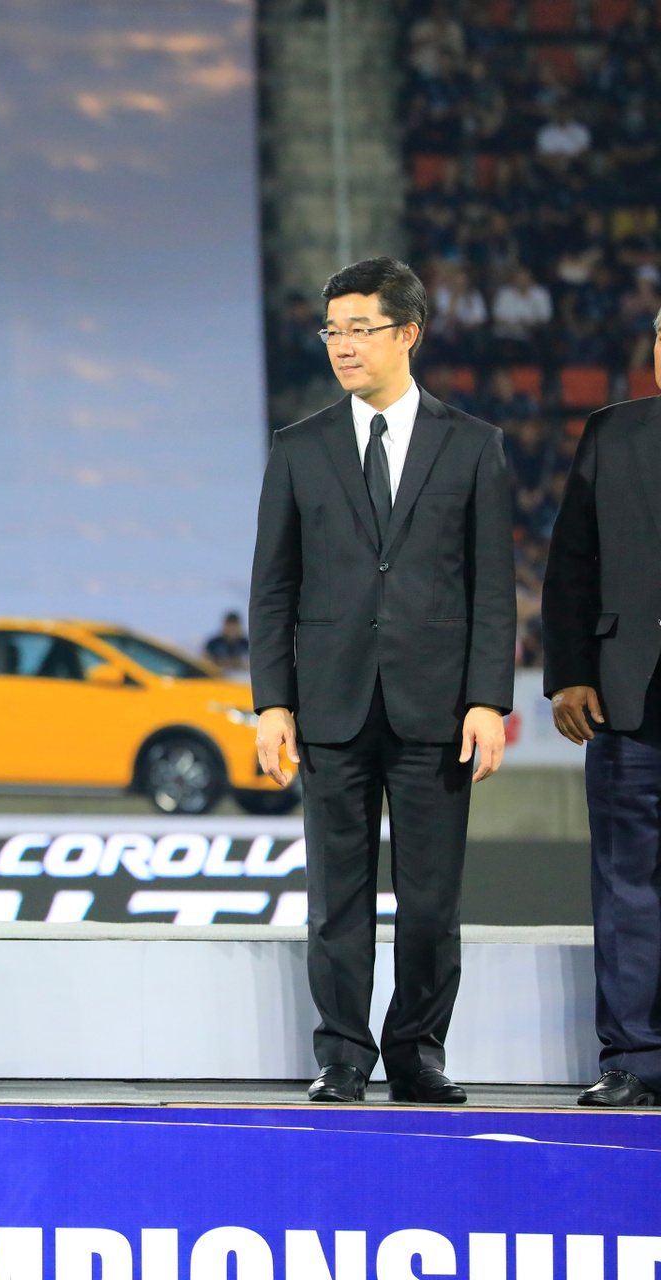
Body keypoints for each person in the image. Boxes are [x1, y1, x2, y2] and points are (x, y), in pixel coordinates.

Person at [250, 256, 513, 1106]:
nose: (342, 345)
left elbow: (492, 587)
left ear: (408, 334)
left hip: (437, 707)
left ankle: (417, 1053)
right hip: (329, 706)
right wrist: (272, 702)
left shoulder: (472, 445)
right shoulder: (298, 448)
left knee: (431, 900)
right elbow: (273, 588)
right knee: (337, 898)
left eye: (359, 329)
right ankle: (342, 1056)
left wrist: (488, 700)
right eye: (332, 330)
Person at [541, 304, 661, 1108]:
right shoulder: (611, 434)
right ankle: (634, 1060)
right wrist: (569, 674)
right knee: (624, 887)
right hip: (625, 697)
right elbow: (571, 565)